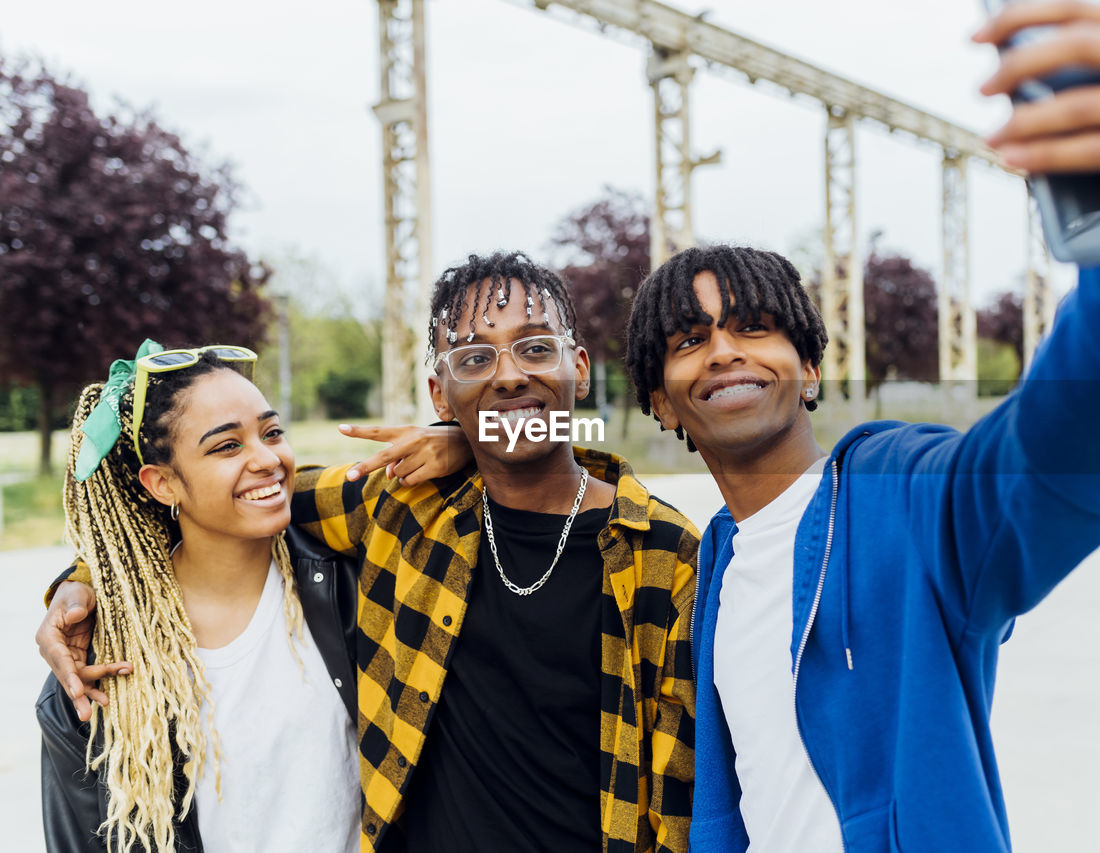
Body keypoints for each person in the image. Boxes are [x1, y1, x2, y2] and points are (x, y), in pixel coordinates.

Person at [621, 4, 1100, 852]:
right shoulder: (718, 561)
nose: (723, 352)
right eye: (688, 342)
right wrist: (471, 446)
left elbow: (1048, 460)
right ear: (662, 403)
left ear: (810, 366)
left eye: (754, 327)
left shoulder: (902, 499)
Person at [39, 252, 699, 853]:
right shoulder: (402, 506)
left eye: (534, 347)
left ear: (578, 367)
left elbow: (683, 797)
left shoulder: (665, 555)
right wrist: (88, 578)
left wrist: (470, 437)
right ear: (440, 395)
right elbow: (219, 506)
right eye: (472, 358)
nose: (507, 374)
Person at [39, 343, 364, 853]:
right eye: (226, 446)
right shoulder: (97, 662)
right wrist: (79, 580)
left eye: (271, 432)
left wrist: (457, 440)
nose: (267, 459)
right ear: (162, 483)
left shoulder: (351, 589)